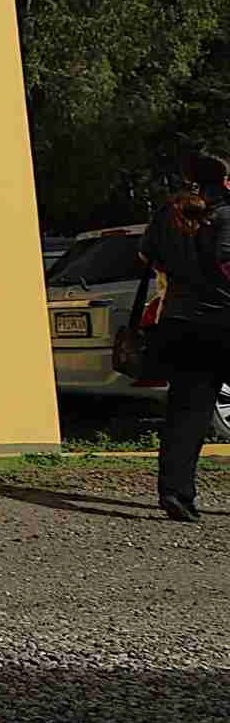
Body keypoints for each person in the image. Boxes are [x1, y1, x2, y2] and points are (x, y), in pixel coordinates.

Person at [145, 153, 230, 522]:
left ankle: (175, 492)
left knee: (185, 412)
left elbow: (148, 256)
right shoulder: (225, 213)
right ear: (223, 181)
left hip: (180, 321)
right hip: (223, 321)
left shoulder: (168, 214)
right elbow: (226, 260)